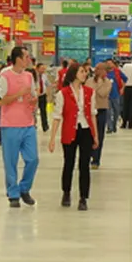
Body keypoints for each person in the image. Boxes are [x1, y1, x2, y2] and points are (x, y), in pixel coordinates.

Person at [49, 63, 99, 211]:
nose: (85, 74)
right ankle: (66, 192)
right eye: (82, 72)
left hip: (85, 131)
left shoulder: (90, 92)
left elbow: (92, 114)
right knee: (68, 163)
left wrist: (95, 135)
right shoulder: (62, 93)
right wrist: (52, 139)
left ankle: (84, 197)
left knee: (84, 165)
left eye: (86, 72)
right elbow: (57, 117)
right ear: (74, 74)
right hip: (70, 131)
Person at [0, 46, 39, 208]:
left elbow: (33, 96)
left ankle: (24, 188)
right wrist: (19, 94)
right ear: (18, 59)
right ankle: (13, 193)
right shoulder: (4, 76)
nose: (28, 59)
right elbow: (1, 101)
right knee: (11, 161)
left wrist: (33, 101)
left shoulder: (29, 76)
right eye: (26, 57)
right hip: (10, 125)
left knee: (33, 159)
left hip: (28, 123)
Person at [87, 62, 112, 168]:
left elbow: (103, 93)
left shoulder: (108, 82)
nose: (96, 70)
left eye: (99, 69)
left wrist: (99, 83)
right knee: (88, 134)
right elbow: (87, 91)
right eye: (96, 68)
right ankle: (88, 155)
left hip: (101, 109)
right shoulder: (89, 80)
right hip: (90, 110)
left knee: (100, 135)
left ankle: (96, 159)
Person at [107, 59, 124, 134]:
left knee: (117, 111)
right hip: (106, 95)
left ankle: (114, 125)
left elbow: (125, 79)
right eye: (107, 63)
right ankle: (109, 127)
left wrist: (122, 88)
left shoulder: (117, 71)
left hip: (116, 94)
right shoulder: (104, 73)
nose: (109, 65)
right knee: (108, 112)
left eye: (110, 63)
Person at [35, 62, 51, 132]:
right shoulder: (34, 76)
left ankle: (45, 126)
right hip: (36, 96)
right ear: (37, 68)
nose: (43, 70)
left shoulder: (44, 76)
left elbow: (48, 84)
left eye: (44, 69)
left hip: (43, 95)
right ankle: (33, 125)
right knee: (34, 111)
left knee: (43, 111)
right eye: (41, 68)